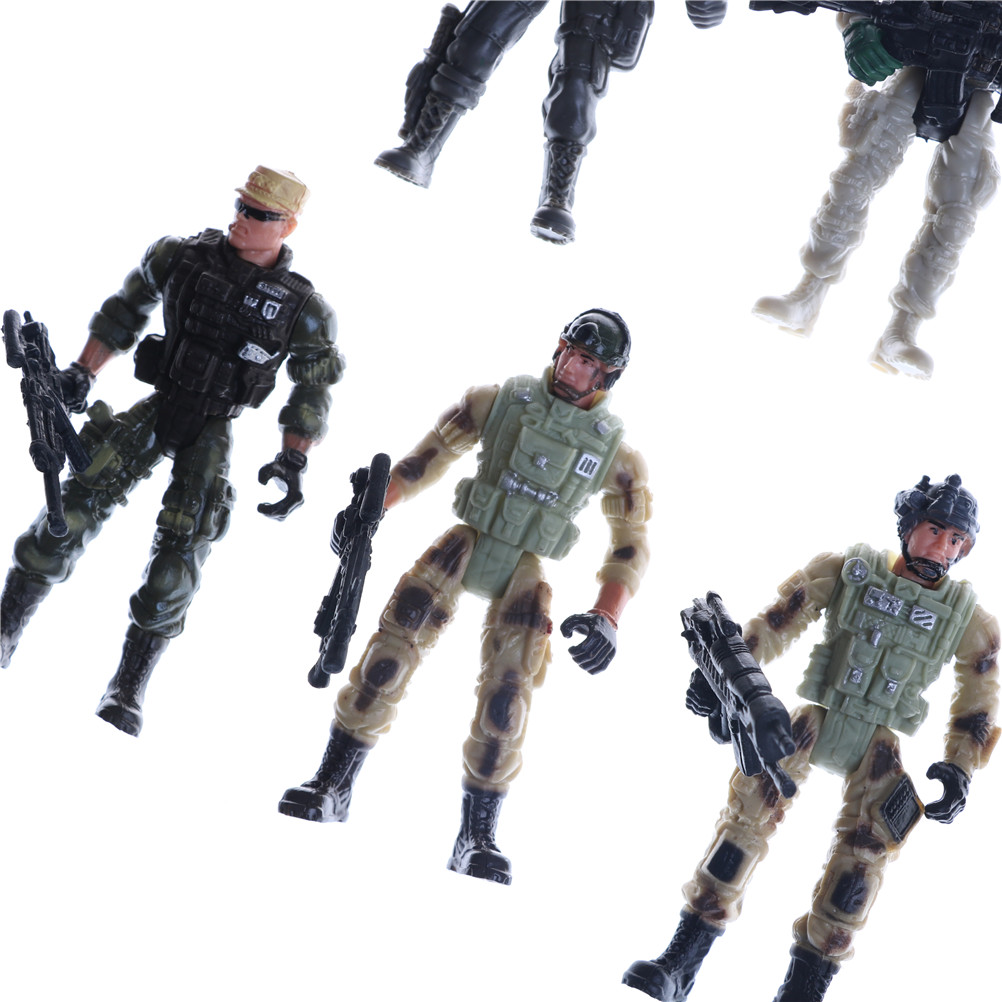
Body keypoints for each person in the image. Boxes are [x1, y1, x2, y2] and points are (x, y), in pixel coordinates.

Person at [278, 308, 652, 884]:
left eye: (586, 362)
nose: (570, 366)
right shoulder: (499, 402)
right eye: (569, 352)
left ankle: (477, 835)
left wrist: (608, 614)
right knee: (388, 653)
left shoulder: (615, 453)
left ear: (607, 376)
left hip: (523, 569)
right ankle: (333, 783)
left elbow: (630, 542)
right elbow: (424, 460)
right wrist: (371, 507)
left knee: (509, 697)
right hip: (465, 543)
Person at [623, 475, 999, 1002]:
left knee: (860, 871)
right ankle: (681, 961)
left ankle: (804, 991)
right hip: (809, 724)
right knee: (743, 826)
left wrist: (961, 766)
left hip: (878, 747)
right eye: (935, 531)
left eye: (957, 539)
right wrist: (719, 674)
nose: (943, 547)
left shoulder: (966, 618)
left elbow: (982, 692)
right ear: (910, 526)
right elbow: (777, 622)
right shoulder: (849, 571)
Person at [0, 166, 345, 736]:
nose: (243, 219)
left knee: (181, 552)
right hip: (160, 405)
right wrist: (82, 372)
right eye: (242, 206)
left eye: (260, 214)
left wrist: (293, 458)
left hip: (213, 424)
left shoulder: (303, 308)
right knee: (73, 507)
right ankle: (7, 627)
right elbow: (124, 311)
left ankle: (128, 687)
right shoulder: (181, 256)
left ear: (287, 226)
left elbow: (313, 387)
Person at [752, 7, 1001, 378]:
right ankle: (808, 293)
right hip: (915, 60)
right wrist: (857, 29)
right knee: (855, 178)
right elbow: (860, 6)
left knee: (956, 217)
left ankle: (902, 331)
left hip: (979, 86)